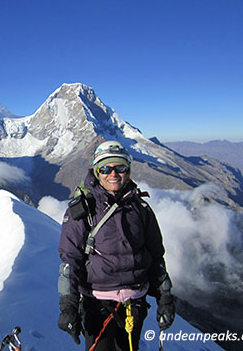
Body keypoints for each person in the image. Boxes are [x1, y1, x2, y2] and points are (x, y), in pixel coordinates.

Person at [57, 141, 175, 351]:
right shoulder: (83, 210)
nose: (113, 174)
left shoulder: (141, 209)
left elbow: (156, 256)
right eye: (105, 168)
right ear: (97, 171)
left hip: (135, 304)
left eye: (120, 168)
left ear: (128, 171)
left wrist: (164, 297)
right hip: (98, 306)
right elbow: (70, 260)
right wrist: (69, 306)